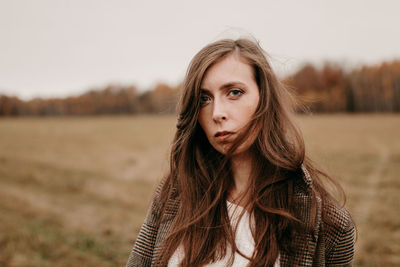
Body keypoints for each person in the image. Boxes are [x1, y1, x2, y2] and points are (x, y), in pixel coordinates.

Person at [126, 38, 355, 267]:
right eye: (204, 98)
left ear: (264, 99)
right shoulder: (174, 194)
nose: (217, 113)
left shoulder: (328, 223)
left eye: (234, 92)